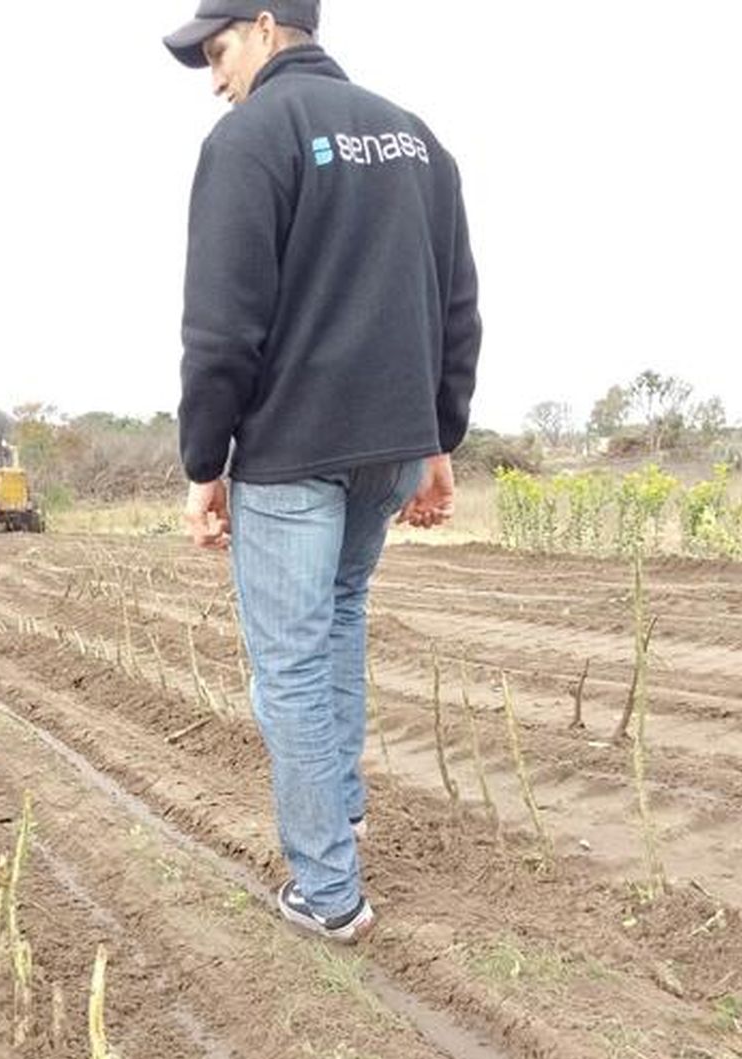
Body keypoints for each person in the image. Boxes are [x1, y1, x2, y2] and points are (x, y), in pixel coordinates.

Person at [164, 1, 481, 943]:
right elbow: (457, 308)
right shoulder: (419, 141)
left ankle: (329, 891)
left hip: (293, 452)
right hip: (386, 451)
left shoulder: (252, 138)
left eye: (218, 53)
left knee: (289, 664)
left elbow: (221, 331)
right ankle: (340, 812)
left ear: (267, 27)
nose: (215, 78)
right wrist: (437, 438)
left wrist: (202, 462)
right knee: (337, 622)